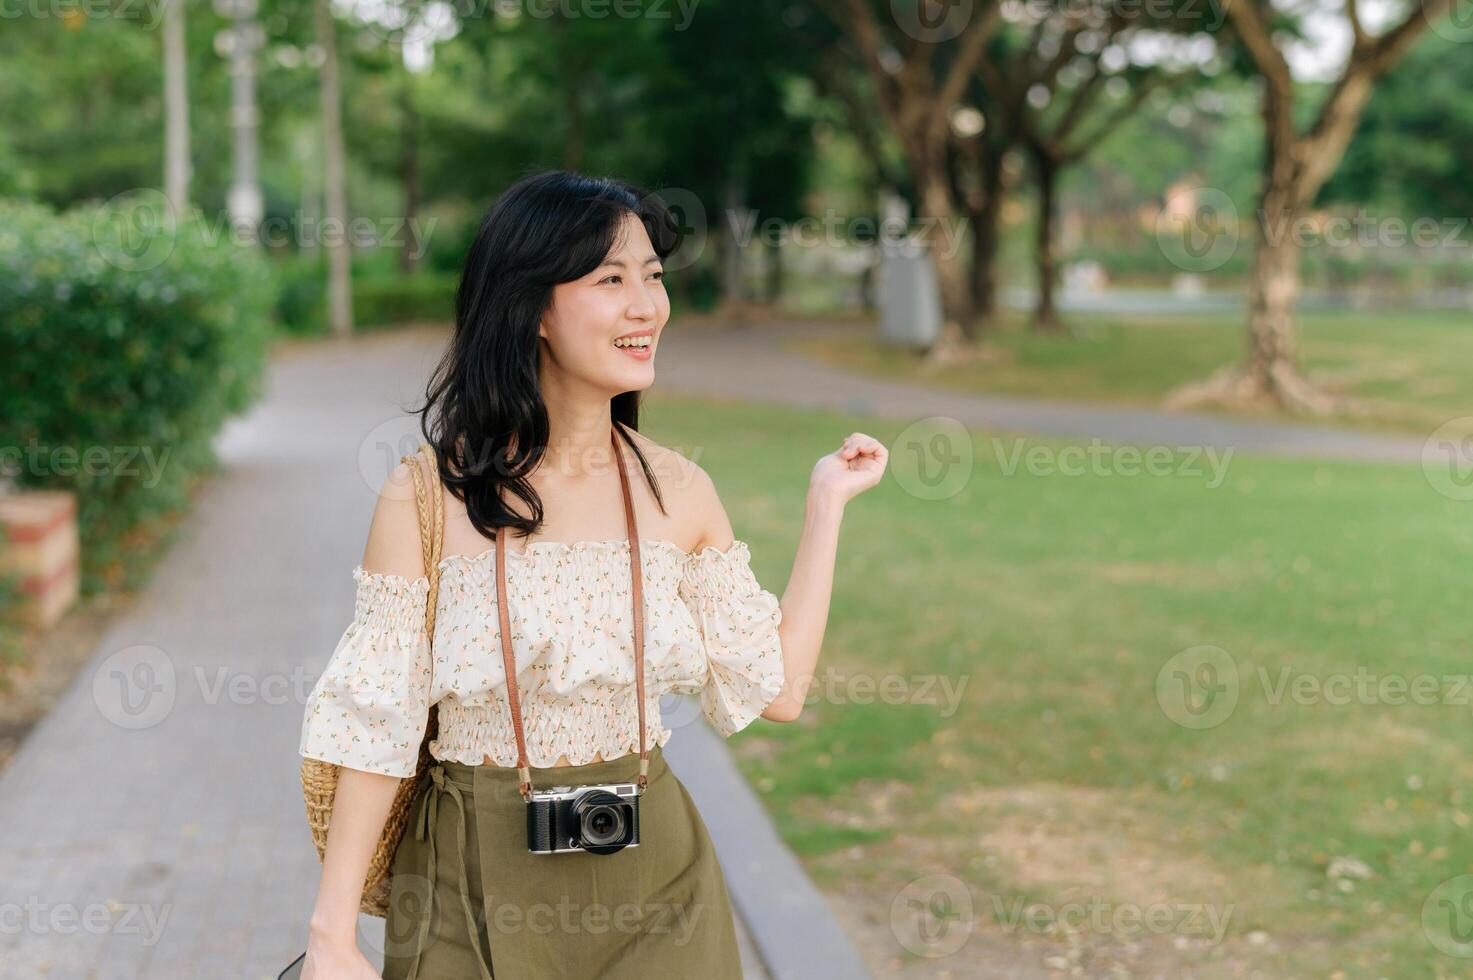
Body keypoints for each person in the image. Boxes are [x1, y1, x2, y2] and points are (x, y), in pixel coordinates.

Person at [297, 170, 887, 979]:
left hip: (658, 885)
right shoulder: (426, 496)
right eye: (610, 280)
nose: (646, 306)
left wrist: (826, 506)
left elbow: (776, 691)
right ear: (532, 306)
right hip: (470, 885)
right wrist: (331, 936)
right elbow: (375, 725)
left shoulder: (678, 489)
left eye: (652, 276)